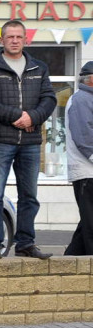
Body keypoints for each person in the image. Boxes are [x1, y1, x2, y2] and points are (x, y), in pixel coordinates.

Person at [0, 20, 57, 260]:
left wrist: (32, 117)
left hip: (31, 142)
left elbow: (49, 99)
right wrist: (17, 117)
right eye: (9, 37)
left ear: (26, 39)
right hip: (0, 140)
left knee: (29, 196)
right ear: (1, 40)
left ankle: (26, 243)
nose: (14, 41)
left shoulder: (39, 67)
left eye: (18, 37)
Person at [64, 62, 93, 256]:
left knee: (87, 223)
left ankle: (68, 261)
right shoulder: (81, 99)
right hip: (87, 173)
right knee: (91, 225)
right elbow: (84, 138)